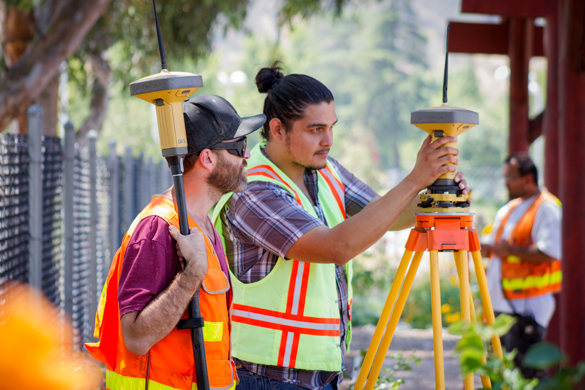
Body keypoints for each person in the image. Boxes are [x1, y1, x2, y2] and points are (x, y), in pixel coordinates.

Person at [211, 63, 469, 390]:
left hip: (319, 373)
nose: (328, 140)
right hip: (268, 377)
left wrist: (438, 193)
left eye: (332, 127)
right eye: (315, 129)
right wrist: (415, 178)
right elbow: (336, 247)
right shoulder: (253, 190)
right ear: (277, 129)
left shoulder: (325, 170)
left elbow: (384, 213)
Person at [85, 94, 266, 390]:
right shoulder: (157, 229)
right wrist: (191, 274)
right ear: (208, 158)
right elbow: (137, 338)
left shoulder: (203, 226)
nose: (247, 156)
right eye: (239, 147)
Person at [481, 153, 562, 379]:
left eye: (511, 177)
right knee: (499, 375)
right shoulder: (508, 209)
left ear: (528, 178)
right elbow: (499, 248)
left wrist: (509, 251)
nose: (506, 182)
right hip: (500, 306)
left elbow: (550, 252)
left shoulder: (547, 208)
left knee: (528, 376)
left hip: (526, 309)